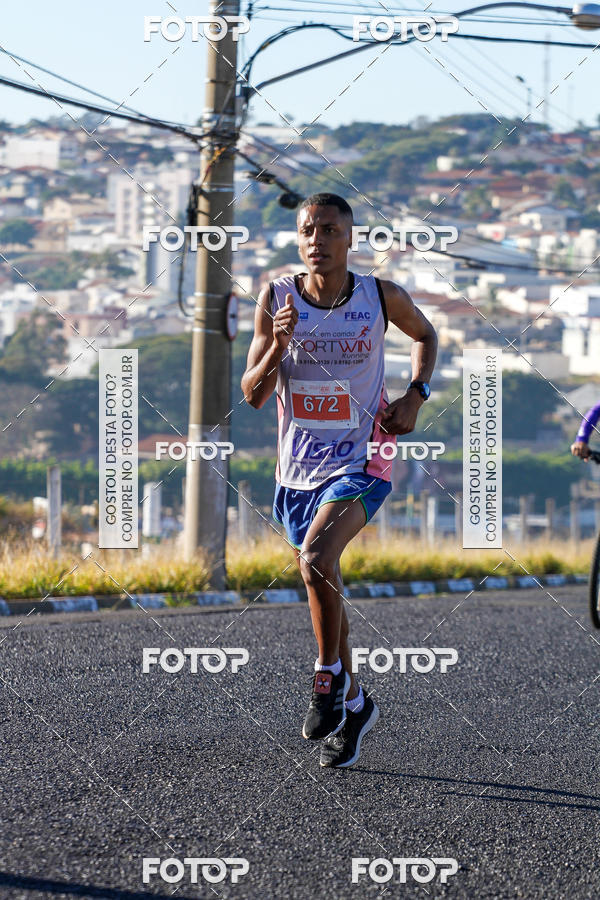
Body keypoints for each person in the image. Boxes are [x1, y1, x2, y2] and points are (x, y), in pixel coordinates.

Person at [241, 192, 437, 768]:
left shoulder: (380, 296)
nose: (316, 240)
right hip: (296, 470)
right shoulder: (276, 298)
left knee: (314, 559)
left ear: (350, 239)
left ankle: (326, 678)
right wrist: (278, 345)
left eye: (328, 230)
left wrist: (415, 395)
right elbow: (252, 394)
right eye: (307, 230)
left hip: (362, 460)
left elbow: (424, 336)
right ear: (297, 239)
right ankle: (355, 705)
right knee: (322, 574)